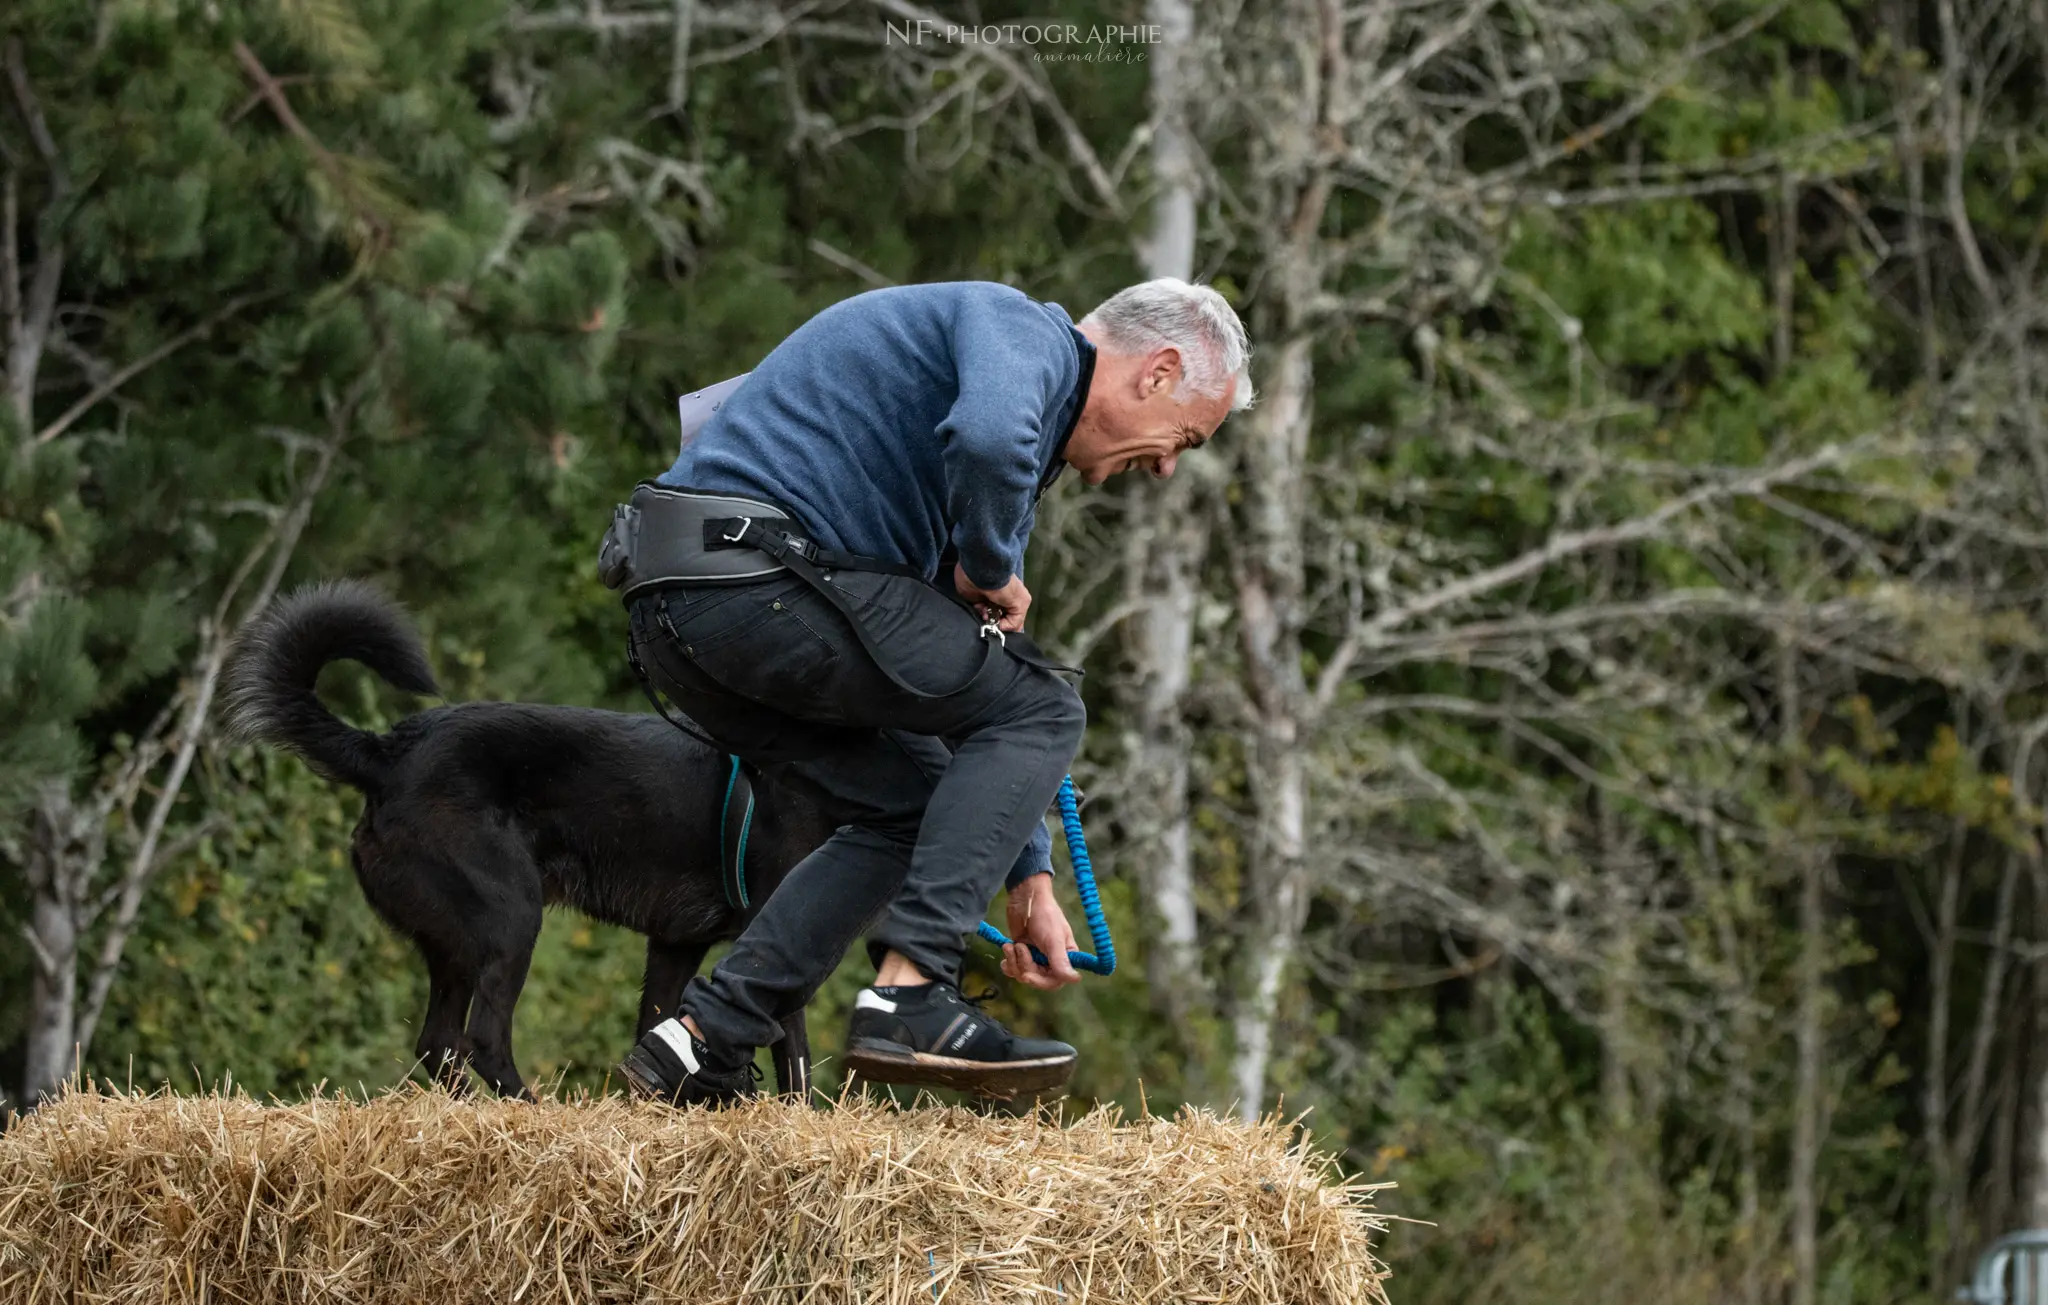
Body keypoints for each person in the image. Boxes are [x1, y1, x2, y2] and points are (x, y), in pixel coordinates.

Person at [613, 277, 1252, 1106]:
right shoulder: (1025, 334)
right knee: (1047, 704)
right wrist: (990, 566)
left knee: (912, 805)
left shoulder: (1010, 427)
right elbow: (988, 440)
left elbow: (955, 691)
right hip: (756, 578)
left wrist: (1030, 875)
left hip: (685, 609)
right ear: (1158, 371)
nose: (1166, 466)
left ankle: (701, 1042)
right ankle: (912, 994)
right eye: (1185, 439)